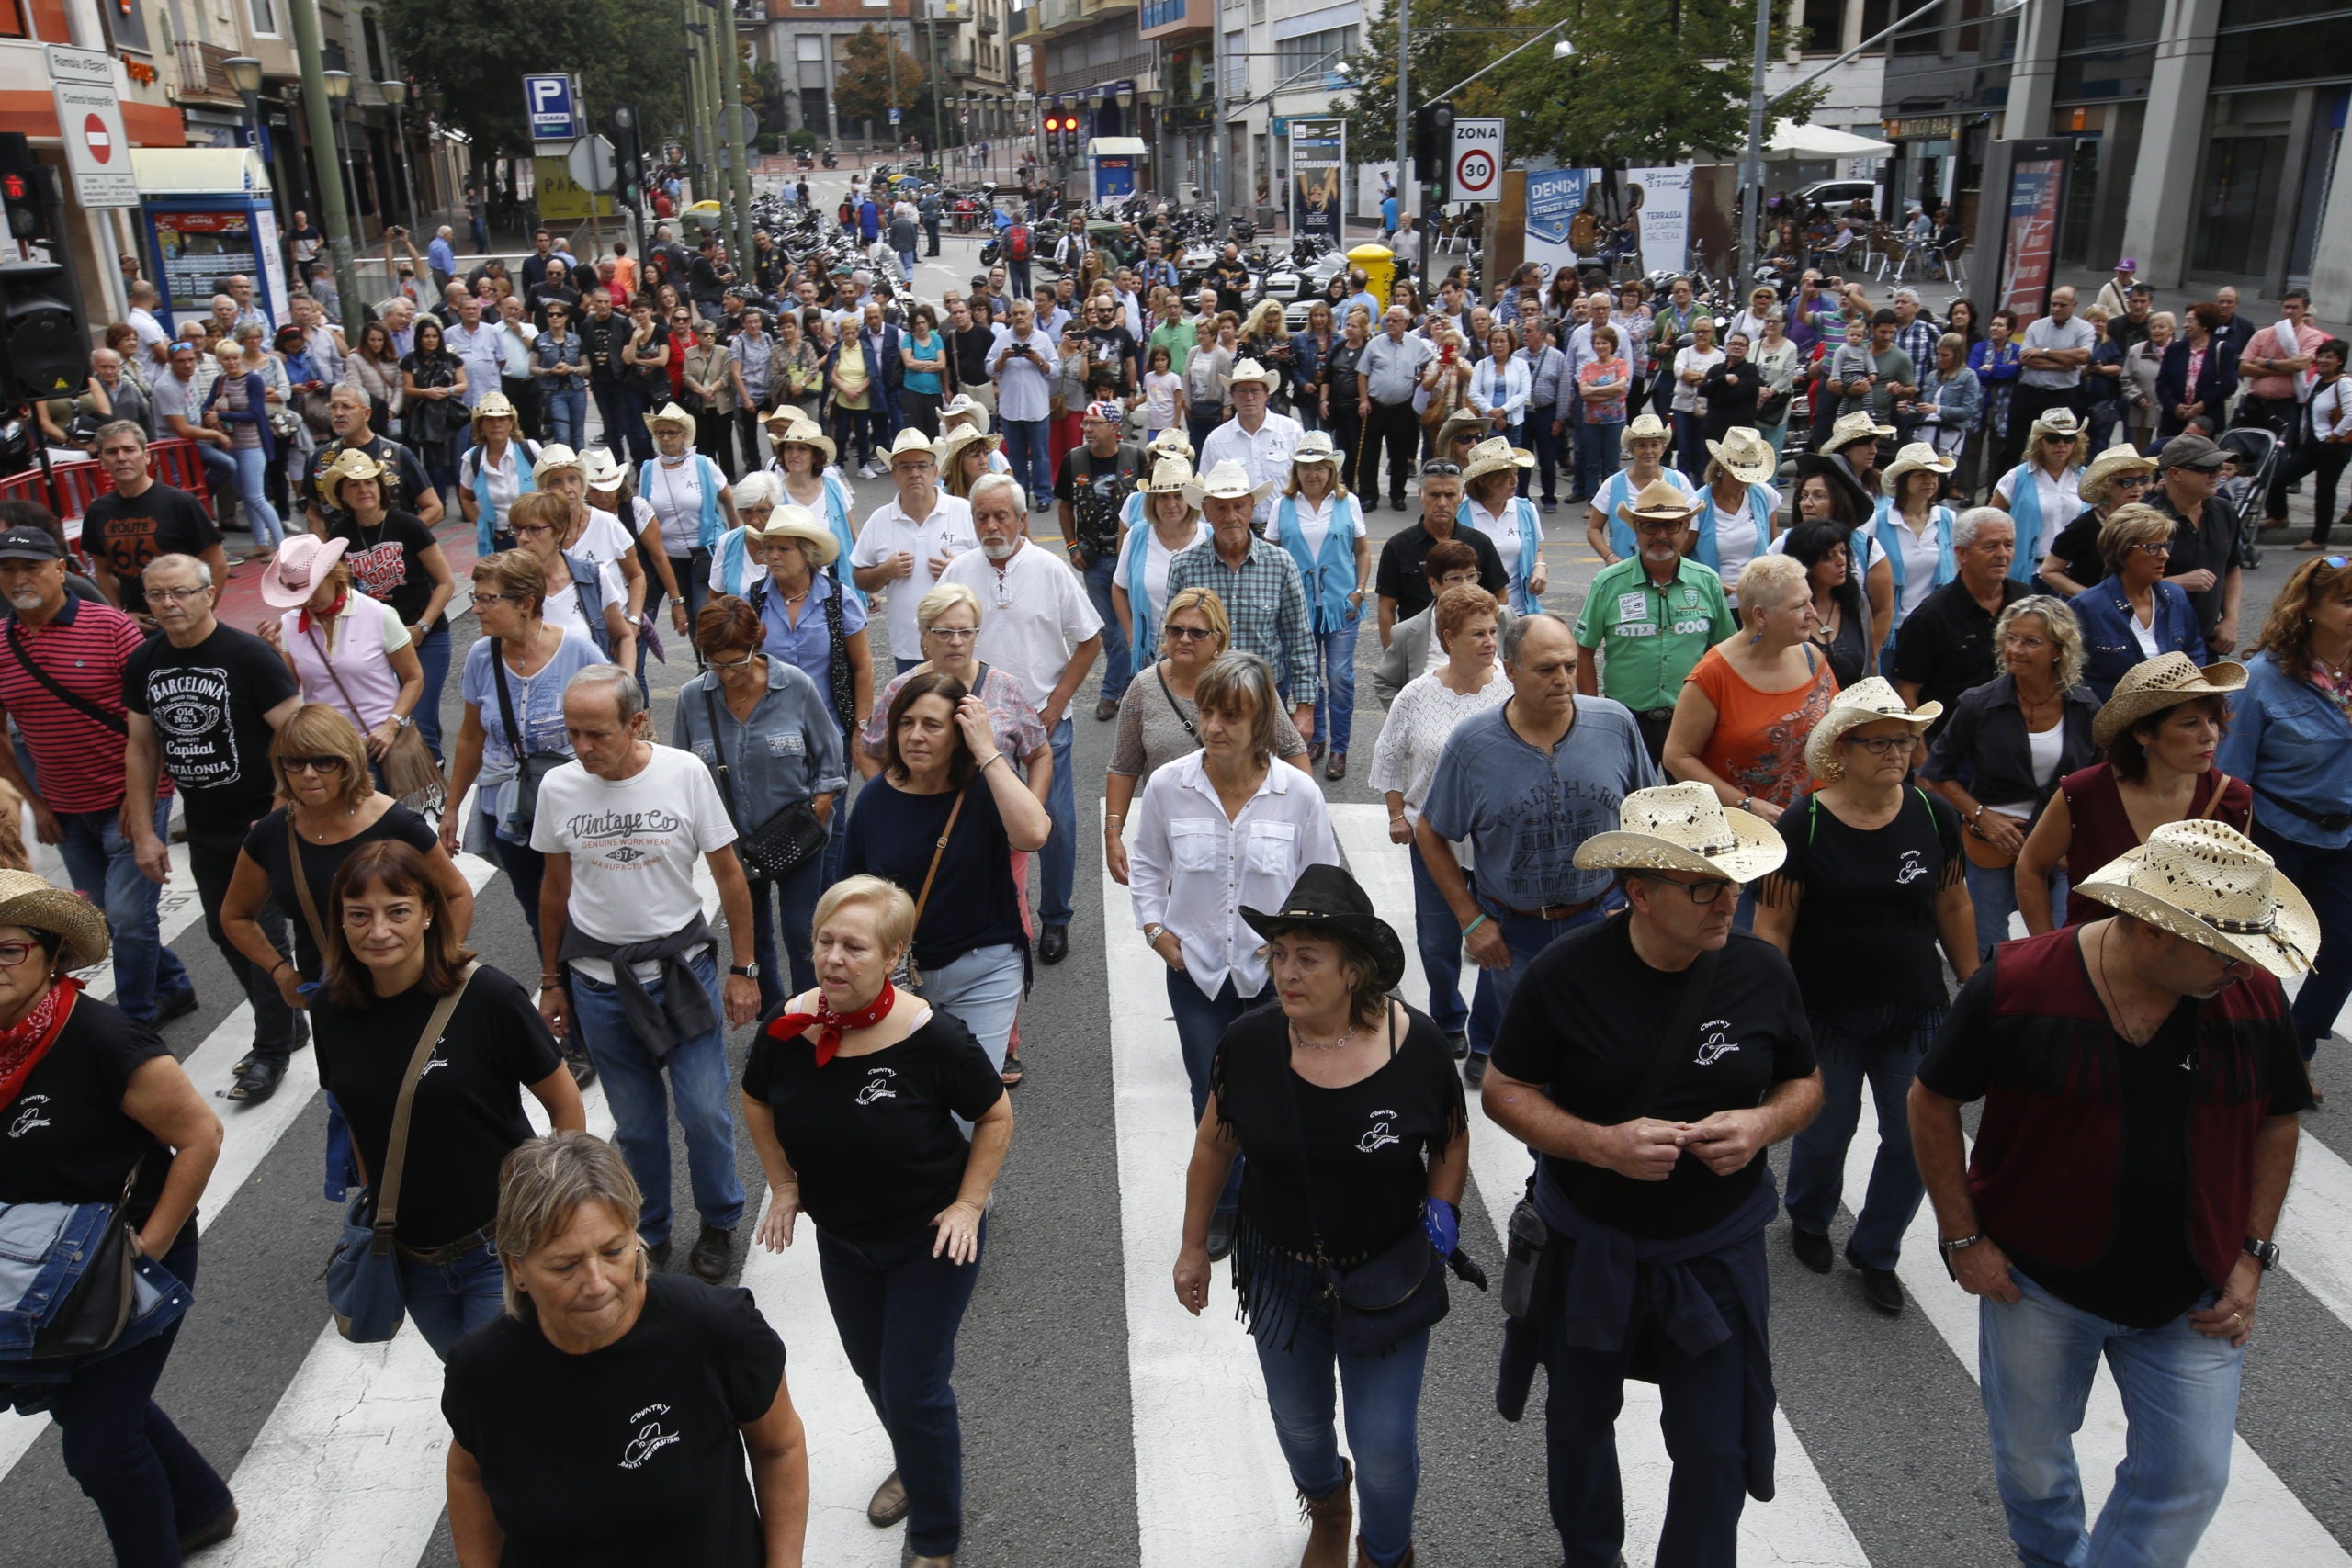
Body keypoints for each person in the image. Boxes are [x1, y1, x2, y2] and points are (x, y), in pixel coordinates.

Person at [1910, 820, 2313, 1568]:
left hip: (2195, 1288)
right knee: (2033, 1465)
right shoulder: (2020, 982)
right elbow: (1931, 1101)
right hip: (2037, 1282)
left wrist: (2253, 1256)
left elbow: (2279, 1120)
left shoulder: (2252, 998)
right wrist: (1962, 1236)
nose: (2243, 967)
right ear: (2152, 926)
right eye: (2222, 949)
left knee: (2192, 1476)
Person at [1483, 783, 1822, 1568]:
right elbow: (1504, 1089)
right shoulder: (1566, 973)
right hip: (1589, 1244)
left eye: (1732, 879)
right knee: (1578, 1426)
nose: (1728, 901)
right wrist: (1600, 1144)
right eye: (1704, 886)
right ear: (1640, 892)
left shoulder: (1761, 972)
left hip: (1714, 1251)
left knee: (1717, 1449)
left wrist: (1763, 1124)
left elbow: (1805, 1082)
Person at [1170, 863, 1467, 1568]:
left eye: (1307, 958)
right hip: (1279, 1270)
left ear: (1354, 970)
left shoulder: (1417, 1045)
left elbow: (1451, 1137)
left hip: (1386, 1272)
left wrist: (1442, 1209)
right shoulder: (1248, 1042)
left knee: (1386, 1449)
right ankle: (1329, 1505)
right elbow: (1214, 1144)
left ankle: (1385, 1554)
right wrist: (1191, 1246)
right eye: (1278, 954)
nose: (1285, 972)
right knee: (1300, 1425)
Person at [740, 876, 1007, 1568]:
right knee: (874, 1375)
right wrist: (783, 1183)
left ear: (892, 955)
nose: (833, 958)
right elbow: (756, 1098)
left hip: (929, 1240)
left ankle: (936, 1539)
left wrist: (968, 1204)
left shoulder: (933, 1036)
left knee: (914, 1387)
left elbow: (994, 1116)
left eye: (854, 947)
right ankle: (919, 1460)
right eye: (824, 941)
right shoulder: (787, 1026)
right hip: (844, 1242)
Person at [0, 873, 236, 1560]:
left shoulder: (105, 1040)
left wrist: (148, 1251)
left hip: (121, 1257)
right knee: (83, 1401)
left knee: (100, 1446)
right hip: (33, 1266)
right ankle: (201, 1508)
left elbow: (201, 1136)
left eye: (9, 950)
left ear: (52, 953)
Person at [442, 1130, 809, 1565]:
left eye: (614, 1251)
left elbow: (779, 1447)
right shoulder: (482, 1372)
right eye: (565, 1266)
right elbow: (467, 1474)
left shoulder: (718, 1330)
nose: (598, 1284)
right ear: (516, 1267)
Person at [532, 664, 760, 1283]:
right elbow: (554, 890)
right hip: (599, 984)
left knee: (704, 1111)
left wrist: (743, 968)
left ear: (636, 723)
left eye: (596, 733)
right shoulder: (558, 788)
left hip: (682, 975)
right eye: (572, 732)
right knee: (635, 1127)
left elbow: (730, 874)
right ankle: (649, 1228)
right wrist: (551, 980)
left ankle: (719, 1220)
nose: (582, 747)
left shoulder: (683, 773)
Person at [303, 836, 574, 1356]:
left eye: (397, 911)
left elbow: (564, 1104)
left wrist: (556, 1215)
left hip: (501, 1248)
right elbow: (357, 1118)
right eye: (359, 915)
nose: (378, 930)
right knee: (468, 1383)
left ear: (429, 912)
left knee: (505, 1386)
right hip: (412, 1259)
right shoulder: (331, 1011)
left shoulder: (488, 997)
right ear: (340, 921)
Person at [1754, 680, 1974, 1315]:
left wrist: (1974, 985)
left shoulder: (1934, 815)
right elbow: (1774, 924)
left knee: (1916, 1140)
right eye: (1877, 742)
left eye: (1903, 741)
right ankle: (1809, 1216)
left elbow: (1954, 904)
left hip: (1915, 1010)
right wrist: (1777, 1010)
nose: (1894, 753)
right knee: (1827, 1131)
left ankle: (1877, 1250)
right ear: (1842, 752)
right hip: (1825, 1014)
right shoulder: (1805, 822)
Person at [1131, 652, 1340, 1257]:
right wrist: (1155, 930)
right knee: (1212, 1092)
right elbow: (1146, 865)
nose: (1214, 727)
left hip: (1276, 981)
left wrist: (1303, 957)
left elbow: (1321, 882)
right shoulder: (1169, 786)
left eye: (1231, 716)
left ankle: (1273, 1196)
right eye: (1207, 712)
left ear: (1260, 722)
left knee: (1281, 1091)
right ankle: (1224, 1203)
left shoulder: (1297, 794)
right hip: (1195, 975)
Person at [1419, 614, 1660, 1083]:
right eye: (1547, 669)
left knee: (1603, 1053)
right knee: (1527, 1067)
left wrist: (1636, 901)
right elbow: (1431, 830)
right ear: (1510, 670)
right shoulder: (1473, 745)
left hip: (1603, 920)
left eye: (1570, 666)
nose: (1564, 680)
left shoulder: (1614, 724)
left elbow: (1647, 815)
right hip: (1515, 936)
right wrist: (1471, 920)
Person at [122, 553, 306, 1103]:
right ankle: (288, 1021)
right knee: (224, 931)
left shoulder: (248, 656)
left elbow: (297, 736)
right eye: (157, 595)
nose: (169, 604)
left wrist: (277, 810)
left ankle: (271, 1049)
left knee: (259, 933)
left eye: (180, 592)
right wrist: (145, 831)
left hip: (261, 824)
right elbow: (142, 747)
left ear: (209, 594)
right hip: (205, 826)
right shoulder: (145, 661)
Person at [0, 522, 198, 1030]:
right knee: (110, 917)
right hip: (63, 808)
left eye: (31, 567)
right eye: (7, 570)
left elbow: (155, 719)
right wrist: (34, 804)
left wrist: (143, 803)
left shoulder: (110, 627)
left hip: (130, 801)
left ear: (60, 569)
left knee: (129, 918)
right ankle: (173, 986)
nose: (19, 579)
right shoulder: (1, 645)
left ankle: (132, 1022)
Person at [842, 671, 1051, 1073]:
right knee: (905, 1094)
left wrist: (987, 750)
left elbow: (1034, 834)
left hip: (984, 968)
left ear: (958, 736)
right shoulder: (875, 798)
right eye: (906, 723)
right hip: (899, 976)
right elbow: (849, 890)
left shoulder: (987, 787)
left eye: (932, 725)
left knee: (972, 1096)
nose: (916, 736)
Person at [940, 473, 1102, 966]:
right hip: (977, 726)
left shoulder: (1050, 569)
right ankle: (998, 915)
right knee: (978, 824)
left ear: (1022, 519)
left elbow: (1090, 640)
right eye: (982, 517)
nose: (991, 526)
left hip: (1044, 725)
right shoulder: (958, 571)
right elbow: (939, 641)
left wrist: (1055, 705)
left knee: (1054, 823)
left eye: (1001, 516)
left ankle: (1055, 917)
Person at [673, 596, 845, 1018]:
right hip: (732, 846)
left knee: (801, 931)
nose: (728, 674)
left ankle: (811, 1018)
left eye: (737, 662)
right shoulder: (693, 699)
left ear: (757, 645)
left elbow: (830, 759)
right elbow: (680, 771)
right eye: (716, 664)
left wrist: (818, 809)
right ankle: (774, 1023)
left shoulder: (795, 686)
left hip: (797, 837)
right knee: (754, 939)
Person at [439, 551, 607, 978]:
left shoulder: (579, 652)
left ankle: (596, 995)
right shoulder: (481, 657)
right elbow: (471, 737)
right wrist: (452, 808)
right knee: (540, 914)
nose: (476, 609)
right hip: (512, 810)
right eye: (475, 598)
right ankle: (560, 994)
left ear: (526, 604)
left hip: (576, 811)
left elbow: (616, 728)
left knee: (587, 911)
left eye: (487, 599)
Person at [2218, 555, 2352, 1064]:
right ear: (2309, 608)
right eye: (2348, 601)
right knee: (2258, 957)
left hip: (2343, 837)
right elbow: (2231, 778)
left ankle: (2295, 1051)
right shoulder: (2260, 679)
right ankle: (2248, 1054)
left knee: (2344, 951)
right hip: (2273, 836)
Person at [1373, 586, 1512, 1058]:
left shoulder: (1512, 689)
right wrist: (1397, 814)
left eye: (1492, 631)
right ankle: (1449, 1017)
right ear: (1449, 638)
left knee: (1497, 937)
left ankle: (1488, 1036)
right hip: (1433, 841)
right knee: (1438, 940)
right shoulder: (1416, 695)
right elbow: (1388, 758)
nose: (1490, 641)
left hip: (1496, 842)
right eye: (1478, 634)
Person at [1922, 597, 2099, 956]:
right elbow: (1936, 774)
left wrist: (2079, 836)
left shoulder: (2085, 706)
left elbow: (2103, 781)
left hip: (2061, 846)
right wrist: (1982, 816)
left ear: (2058, 650)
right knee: (1990, 951)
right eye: (2011, 638)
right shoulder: (1978, 704)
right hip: (1991, 846)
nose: (2016, 650)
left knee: (2066, 946)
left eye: (2031, 641)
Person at [1665, 553, 1840, 825]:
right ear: (1761, 615)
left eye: (1810, 600)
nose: (1813, 613)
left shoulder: (1811, 658)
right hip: (1746, 831)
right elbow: (1676, 757)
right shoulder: (1713, 675)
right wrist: (1745, 804)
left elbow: (1838, 733)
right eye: (1798, 606)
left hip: (1812, 822)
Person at [311, 447, 458, 760]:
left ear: (381, 487)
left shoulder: (408, 525)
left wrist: (423, 626)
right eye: (353, 485)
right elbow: (340, 594)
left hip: (425, 635)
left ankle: (432, 782)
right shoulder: (340, 536)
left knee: (422, 719)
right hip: (375, 641)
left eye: (369, 482)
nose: (363, 490)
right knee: (386, 718)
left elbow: (446, 583)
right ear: (342, 495)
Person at [1576, 483, 1735, 762]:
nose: (1661, 536)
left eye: (1671, 526)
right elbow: (1584, 651)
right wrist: (1594, 714)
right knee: (1630, 790)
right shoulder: (1608, 583)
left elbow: (1728, 650)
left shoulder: (1707, 581)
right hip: (1626, 717)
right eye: (1650, 526)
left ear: (1686, 528)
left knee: (1691, 790)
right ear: (1635, 529)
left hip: (1691, 716)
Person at [1167, 461, 1317, 739]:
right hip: (1203, 698)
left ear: (1252, 508)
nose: (1231, 517)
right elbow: (1170, 640)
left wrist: (1305, 709)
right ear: (1206, 512)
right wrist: (1163, 697)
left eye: (1239, 507)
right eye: (1221, 508)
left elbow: (1299, 638)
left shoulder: (1281, 564)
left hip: (1264, 696)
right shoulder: (1184, 566)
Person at [260, 535, 428, 776]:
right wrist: (273, 655)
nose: (308, 601)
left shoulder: (378, 615)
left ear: (332, 574)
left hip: (379, 747)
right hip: (325, 751)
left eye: (313, 589)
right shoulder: (290, 624)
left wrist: (392, 725)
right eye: (300, 595)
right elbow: (290, 690)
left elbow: (414, 677)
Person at [1270, 432, 1371, 778]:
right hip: (1297, 609)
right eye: (1306, 467)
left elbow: (1362, 550)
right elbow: (1271, 552)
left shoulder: (1348, 502)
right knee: (1307, 676)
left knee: (1339, 675)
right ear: (1296, 470)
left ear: (1331, 470)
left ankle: (1340, 748)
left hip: (1341, 605)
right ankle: (1318, 738)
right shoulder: (1282, 505)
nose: (1313, 474)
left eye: (1320, 467)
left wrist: (1359, 590)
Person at [851, 427, 978, 675]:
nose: (914, 473)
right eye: (905, 466)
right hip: (908, 647)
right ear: (893, 474)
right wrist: (885, 571)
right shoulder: (879, 519)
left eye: (921, 465)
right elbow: (860, 578)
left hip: (961, 644)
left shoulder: (964, 511)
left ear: (935, 471)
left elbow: (992, 568)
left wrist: (958, 569)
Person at [1057, 402, 1149, 718]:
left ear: (1114, 427)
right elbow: (1065, 506)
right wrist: (1072, 545)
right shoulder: (1073, 460)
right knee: (1109, 631)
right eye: (1085, 423)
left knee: (1128, 628)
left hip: (1130, 559)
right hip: (1093, 561)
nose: (1087, 429)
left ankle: (1111, 692)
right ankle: (1129, 684)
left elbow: (1149, 502)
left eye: (1095, 423)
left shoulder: (1135, 457)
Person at [1894, 509, 2029, 721]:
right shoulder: (1930, 617)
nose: (2002, 554)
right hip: (1951, 734)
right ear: (1961, 553)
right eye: (1990, 546)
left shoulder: (2027, 603)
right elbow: (1907, 691)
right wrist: (1919, 741)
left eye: (2009, 545)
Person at [79, 422, 231, 610]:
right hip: (134, 619)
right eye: (111, 452)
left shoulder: (181, 503)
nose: (121, 458)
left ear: (147, 456)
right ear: (101, 461)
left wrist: (200, 615)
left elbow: (218, 565)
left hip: (182, 615)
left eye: (129, 450)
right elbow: (103, 571)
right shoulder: (98, 511)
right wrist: (121, 617)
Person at [1374, 461, 1510, 643]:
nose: (1442, 503)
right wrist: (1392, 654)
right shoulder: (1398, 547)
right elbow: (1386, 608)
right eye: (1434, 495)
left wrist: (1490, 640)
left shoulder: (1480, 543)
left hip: (1471, 646)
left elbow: (1500, 595)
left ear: (1462, 495)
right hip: (1418, 646)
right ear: (1421, 495)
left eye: (1450, 495)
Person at [639, 401, 737, 631]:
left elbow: (729, 498)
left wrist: (735, 538)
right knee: (684, 617)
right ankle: (701, 655)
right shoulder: (648, 470)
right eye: (660, 432)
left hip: (704, 552)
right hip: (668, 557)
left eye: (671, 432)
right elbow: (643, 513)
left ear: (684, 435)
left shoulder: (703, 464)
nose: (665, 438)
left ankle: (710, 654)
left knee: (704, 612)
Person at [1112, 457, 1212, 674]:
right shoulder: (1137, 535)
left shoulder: (1209, 538)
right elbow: (1119, 588)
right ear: (1152, 501)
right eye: (1163, 496)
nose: (1171, 504)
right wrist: (1131, 635)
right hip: (1150, 657)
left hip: (1203, 659)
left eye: (1178, 495)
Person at [2147, 432, 2244, 655]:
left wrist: (2230, 620)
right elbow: (2118, 588)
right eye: (2206, 468)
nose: (2217, 474)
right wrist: (2177, 583)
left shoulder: (2225, 511)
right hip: (2155, 646)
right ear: (2175, 473)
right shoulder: (2144, 520)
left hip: (2206, 644)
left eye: (2219, 467)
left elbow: (2232, 568)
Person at [305, 383, 444, 535]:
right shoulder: (322, 459)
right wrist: (325, 547)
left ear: (366, 414)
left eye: (346, 406)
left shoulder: (398, 454)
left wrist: (401, 539)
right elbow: (313, 512)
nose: (338, 413)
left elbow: (435, 509)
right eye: (333, 407)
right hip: (342, 548)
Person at [2038, 442, 2158, 599]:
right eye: (2127, 482)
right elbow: (2049, 571)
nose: (2137, 488)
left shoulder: (2149, 521)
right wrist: (2091, 598)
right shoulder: (2084, 526)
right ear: (2106, 486)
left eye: (2142, 480)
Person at [1584, 412, 1697, 566]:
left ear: (1663, 448)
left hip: (1670, 570)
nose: (1648, 451)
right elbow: (1593, 528)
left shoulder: (1679, 480)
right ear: (1631, 450)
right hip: (1624, 571)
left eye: (1654, 445)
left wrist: (1679, 559)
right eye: (1641, 445)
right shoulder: (1612, 484)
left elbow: (1693, 526)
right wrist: (1609, 556)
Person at [2004, 284, 2094, 474]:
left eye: (2062, 305)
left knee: (2057, 447)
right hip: (2029, 392)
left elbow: (2083, 356)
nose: (2056, 309)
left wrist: (2044, 352)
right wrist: (2064, 365)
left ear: (2074, 305)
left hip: (2061, 395)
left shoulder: (2084, 328)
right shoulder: (2036, 326)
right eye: (2054, 304)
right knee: (2013, 445)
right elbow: (2026, 358)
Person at [1989, 408, 2083, 586]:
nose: (2061, 444)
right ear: (2039, 443)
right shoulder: (2017, 477)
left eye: (2069, 439)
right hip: (2029, 574)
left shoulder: (2085, 478)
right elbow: (1990, 519)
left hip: (2074, 574)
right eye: (2053, 439)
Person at [1359, 307, 1438, 511]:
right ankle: (1368, 496)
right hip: (1376, 405)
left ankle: (1397, 496)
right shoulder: (1375, 344)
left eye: (1395, 320)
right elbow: (1362, 373)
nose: (1390, 324)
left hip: (1402, 407)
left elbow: (1431, 362)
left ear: (1405, 323)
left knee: (1399, 454)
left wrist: (1418, 379)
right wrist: (1364, 400)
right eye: (1388, 320)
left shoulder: (1415, 344)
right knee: (1370, 453)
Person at [397, 317, 468, 497]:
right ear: (419, 338)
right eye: (426, 336)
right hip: (425, 419)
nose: (431, 340)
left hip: (452, 416)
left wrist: (447, 390)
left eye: (434, 336)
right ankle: (439, 502)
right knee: (433, 465)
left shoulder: (451, 358)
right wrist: (426, 392)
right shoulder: (410, 360)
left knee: (456, 464)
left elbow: (463, 385)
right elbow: (408, 389)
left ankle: (465, 503)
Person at [2154, 302, 2242, 441]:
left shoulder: (2224, 350)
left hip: (2206, 420)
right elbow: (2162, 383)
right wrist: (2174, 406)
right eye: (2185, 321)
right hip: (2174, 420)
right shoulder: (2175, 349)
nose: (2185, 325)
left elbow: (2229, 384)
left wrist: (2202, 405)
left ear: (2205, 324)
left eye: (2190, 321)